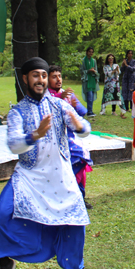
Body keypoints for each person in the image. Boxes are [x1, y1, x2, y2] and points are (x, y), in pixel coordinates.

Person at [0, 57, 97, 269]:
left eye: (43, 75)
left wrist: (78, 125)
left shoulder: (60, 105)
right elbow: (13, 145)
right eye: (35, 76)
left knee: (73, 219)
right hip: (29, 175)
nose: (40, 80)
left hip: (60, 174)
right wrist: (36, 134)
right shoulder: (17, 111)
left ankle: (74, 266)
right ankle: (6, 262)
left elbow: (85, 129)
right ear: (25, 79)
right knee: (2, 213)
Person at [47, 65, 94, 209]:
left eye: (59, 76)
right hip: (53, 140)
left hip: (70, 138)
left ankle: (80, 197)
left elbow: (83, 112)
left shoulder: (67, 94)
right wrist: (59, 98)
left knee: (80, 161)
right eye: (54, 76)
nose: (58, 79)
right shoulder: (45, 96)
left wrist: (74, 105)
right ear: (47, 79)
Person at [100, 53, 127, 118]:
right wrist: (113, 71)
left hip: (115, 84)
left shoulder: (116, 65)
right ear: (108, 59)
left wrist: (117, 70)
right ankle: (103, 110)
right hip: (108, 84)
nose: (111, 59)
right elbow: (107, 74)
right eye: (109, 58)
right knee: (106, 96)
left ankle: (113, 111)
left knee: (115, 96)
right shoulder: (105, 66)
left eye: (112, 58)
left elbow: (118, 73)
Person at [80, 47, 100, 117]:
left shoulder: (94, 61)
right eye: (89, 51)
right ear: (86, 52)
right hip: (86, 80)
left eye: (92, 52)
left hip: (92, 80)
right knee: (89, 96)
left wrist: (94, 72)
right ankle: (89, 112)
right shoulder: (83, 61)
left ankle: (90, 111)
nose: (90, 53)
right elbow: (81, 71)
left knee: (91, 96)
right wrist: (88, 71)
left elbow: (96, 70)